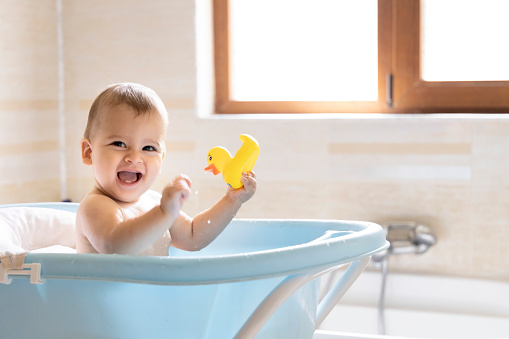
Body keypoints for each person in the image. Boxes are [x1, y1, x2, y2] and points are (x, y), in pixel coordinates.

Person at [75, 83, 256, 255]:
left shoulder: (154, 202)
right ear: (89, 152)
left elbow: (193, 236)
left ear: (161, 159)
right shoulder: (95, 206)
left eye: (148, 148)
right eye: (119, 144)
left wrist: (232, 199)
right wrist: (164, 213)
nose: (135, 158)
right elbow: (116, 245)